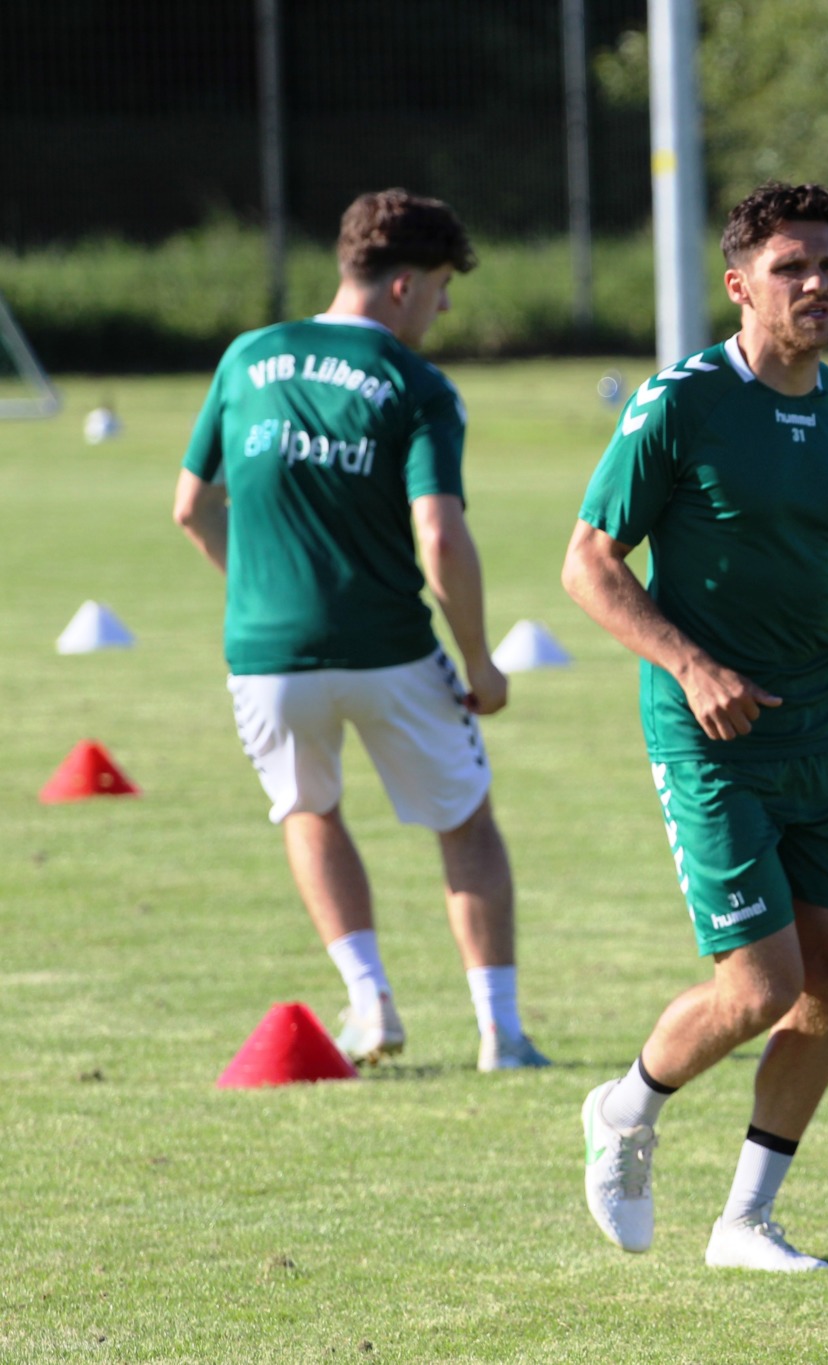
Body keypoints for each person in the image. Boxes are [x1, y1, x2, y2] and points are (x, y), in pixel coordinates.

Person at [564, 182, 828, 1272]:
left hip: (824, 725)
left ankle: (744, 1219)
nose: (817, 284)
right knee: (759, 985)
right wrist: (690, 666)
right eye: (792, 268)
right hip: (710, 735)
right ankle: (625, 1113)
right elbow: (587, 563)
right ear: (740, 287)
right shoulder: (679, 404)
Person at [172, 188, 546, 1072]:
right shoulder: (418, 386)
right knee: (466, 824)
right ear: (407, 286)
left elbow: (192, 508)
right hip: (389, 650)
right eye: (445, 287)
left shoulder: (247, 355)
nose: (447, 307)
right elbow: (441, 535)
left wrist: (267, 590)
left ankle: (370, 1004)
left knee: (309, 810)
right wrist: (480, 661)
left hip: (266, 655)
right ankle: (501, 1034)